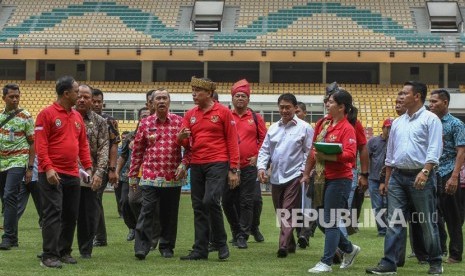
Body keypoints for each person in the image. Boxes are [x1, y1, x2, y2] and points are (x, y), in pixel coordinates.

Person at [366, 81, 443, 275]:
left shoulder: (430, 119)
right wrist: (387, 180)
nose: (400, 96)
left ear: (417, 96)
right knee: (394, 221)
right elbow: (390, 155)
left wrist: (425, 172)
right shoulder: (397, 122)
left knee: (426, 221)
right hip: (398, 177)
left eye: (404, 93)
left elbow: (434, 149)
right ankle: (389, 263)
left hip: (421, 175)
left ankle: (435, 262)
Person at [177, 77, 239, 261]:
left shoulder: (223, 112)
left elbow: (232, 141)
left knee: (210, 200)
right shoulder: (190, 115)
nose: (194, 94)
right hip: (196, 163)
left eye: (198, 90)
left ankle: (220, 242)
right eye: (193, 90)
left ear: (209, 93)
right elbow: (185, 143)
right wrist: (180, 137)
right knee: (198, 206)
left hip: (218, 162)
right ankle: (200, 249)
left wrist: (233, 169)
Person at [34, 76, 92, 268]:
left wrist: (88, 166)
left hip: (73, 173)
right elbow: (40, 145)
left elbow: (82, 144)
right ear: (66, 93)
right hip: (52, 173)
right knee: (53, 213)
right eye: (76, 92)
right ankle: (49, 255)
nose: (79, 95)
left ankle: (64, 251)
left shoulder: (76, 117)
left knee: (70, 214)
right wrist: (48, 168)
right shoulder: (46, 114)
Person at [302, 89, 360, 273]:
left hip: (340, 179)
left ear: (342, 107)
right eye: (327, 101)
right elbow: (314, 151)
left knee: (331, 220)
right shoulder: (323, 123)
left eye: (331, 102)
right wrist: (306, 173)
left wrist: (329, 157)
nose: (327, 104)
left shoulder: (347, 128)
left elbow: (350, 155)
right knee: (320, 220)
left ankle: (326, 262)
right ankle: (350, 249)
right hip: (320, 178)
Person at [129, 89, 189, 260]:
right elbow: (138, 151)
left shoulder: (179, 122)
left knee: (169, 213)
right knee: (146, 210)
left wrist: (184, 164)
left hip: (172, 177)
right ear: (152, 103)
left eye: (164, 98)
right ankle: (142, 247)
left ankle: (167, 246)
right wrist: (133, 175)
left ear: (170, 102)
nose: (161, 101)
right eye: (158, 99)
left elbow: (190, 147)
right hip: (149, 175)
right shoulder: (145, 123)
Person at [257, 93, 314, 258]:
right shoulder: (273, 128)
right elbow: (265, 150)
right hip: (276, 177)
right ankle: (290, 244)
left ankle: (282, 246)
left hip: (295, 175)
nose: (284, 110)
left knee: (287, 210)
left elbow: (309, 152)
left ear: (295, 108)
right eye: (281, 107)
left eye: (288, 107)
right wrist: (261, 167)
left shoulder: (305, 127)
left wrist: (304, 171)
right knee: (280, 210)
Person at [222, 79, 267, 249]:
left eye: (243, 96)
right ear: (232, 99)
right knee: (227, 201)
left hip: (249, 166)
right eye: (237, 95)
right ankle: (235, 230)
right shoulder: (226, 115)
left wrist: (258, 155)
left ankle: (242, 235)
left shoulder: (256, 118)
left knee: (247, 201)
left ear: (248, 100)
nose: (240, 98)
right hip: (229, 166)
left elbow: (264, 139)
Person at [429, 89, 465, 264]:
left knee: (453, 216)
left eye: (435, 101)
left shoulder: (456, 124)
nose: (431, 104)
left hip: (448, 172)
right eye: (430, 101)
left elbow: (461, 151)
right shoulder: (428, 122)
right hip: (430, 173)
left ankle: (455, 254)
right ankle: (438, 249)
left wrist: (454, 176)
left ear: (445, 103)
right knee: (433, 216)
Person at [75, 84, 109, 259]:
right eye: (79, 96)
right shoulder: (65, 116)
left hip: (91, 174)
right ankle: (56, 247)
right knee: (62, 211)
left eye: (86, 97)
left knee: (88, 214)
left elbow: (104, 147)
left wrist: (100, 172)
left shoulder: (100, 121)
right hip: (67, 172)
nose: (82, 99)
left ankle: (85, 249)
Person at [0, 83, 35, 250]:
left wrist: (30, 167)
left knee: (9, 196)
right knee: (7, 200)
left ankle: (7, 237)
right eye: (11, 97)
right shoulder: (0, 117)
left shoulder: (26, 116)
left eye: (17, 96)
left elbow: (32, 143)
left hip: (18, 161)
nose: (15, 99)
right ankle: (13, 237)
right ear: (4, 98)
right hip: (1, 163)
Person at [116, 107, 150, 243]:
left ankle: (142, 229)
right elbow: (123, 156)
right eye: (143, 116)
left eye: (148, 115)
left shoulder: (155, 134)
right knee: (125, 201)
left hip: (148, 175)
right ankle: (132, 227)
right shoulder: (130, 136)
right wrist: (117, 172)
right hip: (129, 175)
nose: (145, 118)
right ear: (139, 118)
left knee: (141, 203)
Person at [91, 88, 120, 247]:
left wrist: (112, 168)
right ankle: (98, 235)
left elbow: (114, 146)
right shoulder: (82, 118)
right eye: (94, 101)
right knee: (93, 200)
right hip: (86, 167)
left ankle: (100, 237)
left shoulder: (110, 120)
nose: (96, 104)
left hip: (102, 168)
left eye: (99, 102)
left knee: (95, 199)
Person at [367, 118, 393, 237]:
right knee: (377, 206)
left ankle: (390, 228)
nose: (390, 130)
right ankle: (382, 230)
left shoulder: (394, 142)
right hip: (374, 178)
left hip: (390, 178)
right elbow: (367, 157)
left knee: (388, 205)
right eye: (388, 128)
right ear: (383, 128)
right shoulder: (373, 141)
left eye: (391, 128)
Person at [17, 156, 42, 228]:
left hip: (37, 176)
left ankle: (44, 224)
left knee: (41, 204)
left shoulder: (36, 146)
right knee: (18, 202)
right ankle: (10, 224)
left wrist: (30, 170)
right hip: (22, 177)